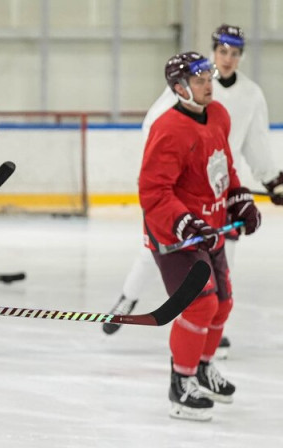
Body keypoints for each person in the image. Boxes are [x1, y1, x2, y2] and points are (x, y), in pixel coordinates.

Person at [103, 24, 283, 357]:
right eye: (222, 51)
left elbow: (255, 142)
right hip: (183, 192)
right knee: (153, 252)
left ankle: (212, 326)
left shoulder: (249, 94)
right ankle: (128, 298)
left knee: (224, 259)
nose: (227, 59)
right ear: (214, 51)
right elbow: (159, 131)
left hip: (220, 189)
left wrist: (272, 179)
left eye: (235, 53)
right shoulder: (190, 83)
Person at [139, 51, 261, 421]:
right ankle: (182, 383)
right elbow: (153, 192)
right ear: (180, 88)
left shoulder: (219, 116)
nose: (209, 84)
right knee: (200, 304)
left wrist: (239, 199)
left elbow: (224, 166)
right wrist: (187, 223)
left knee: (222, 303)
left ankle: (204, 366)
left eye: (209, 77)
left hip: (212, 229)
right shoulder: (168, 129)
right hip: (176, 236)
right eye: (200, 80)